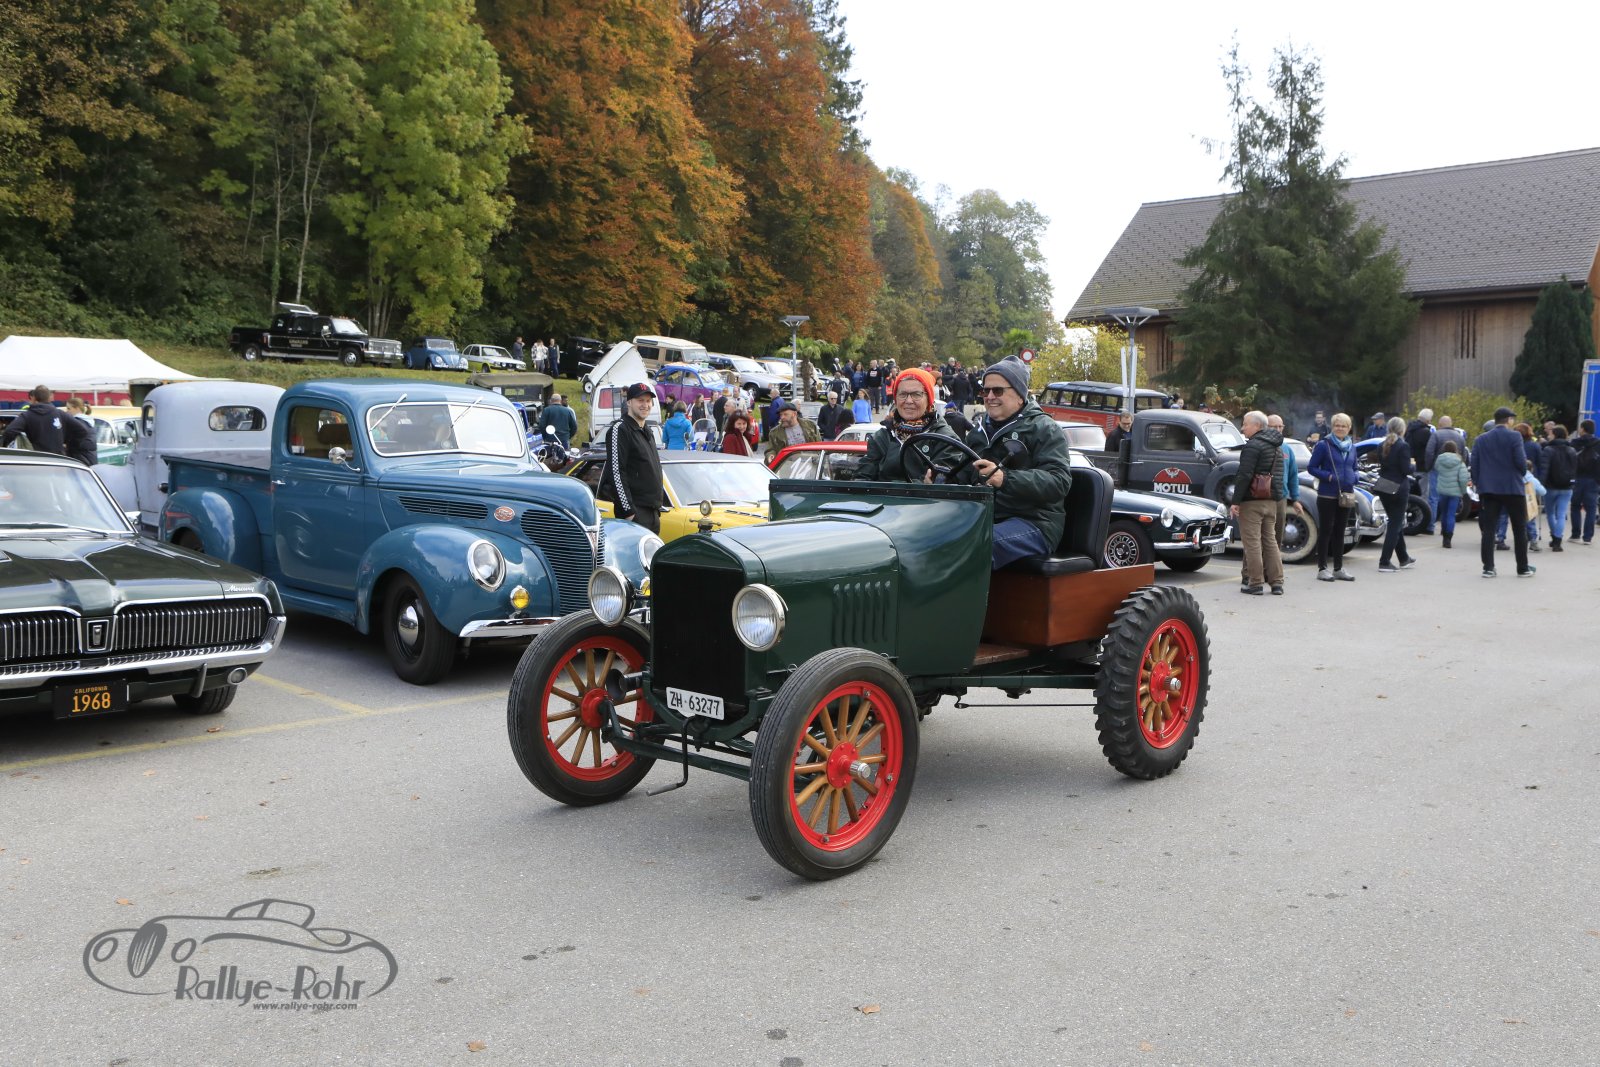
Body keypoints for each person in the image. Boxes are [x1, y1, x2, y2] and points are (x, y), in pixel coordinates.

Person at [958, 357, 1073, 570]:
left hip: (1034, 522)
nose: (990, 397)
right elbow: (962, 473)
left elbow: (1059, 482)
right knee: (931, 536)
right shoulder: (978, 432)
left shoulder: (1044, 428)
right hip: (984, 517)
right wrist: (939, 477)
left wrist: (1005, 478)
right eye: (985, 391)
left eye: (998, 391)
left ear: (1020, 395)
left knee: (975, 545)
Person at [858, 369, 960, 481]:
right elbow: (863, 477)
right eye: (903, 394)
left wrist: (929, 484)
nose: (909, 401)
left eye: (916, 394)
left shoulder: (945, 438)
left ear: (929, 400)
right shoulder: (882, 437)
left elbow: (946, 481)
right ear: (895, 399)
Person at [1471, 406, 1533, 577]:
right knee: (1519, 528)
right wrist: (1522, 472)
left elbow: (1474, 463)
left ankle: (1488, 568)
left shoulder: (1480, 439)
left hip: (1489, 489)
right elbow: (1520, 462)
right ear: (1509, 420)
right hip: (1512, 487)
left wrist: (1479, 483)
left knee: (1489, 529)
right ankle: (1522, 568)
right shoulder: (1515, 436)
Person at [1230, 411, 1285, 595]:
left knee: (1252, 543)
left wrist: (1236, 501)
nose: (1242, 428)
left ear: (1257, 426)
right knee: (1270, 542)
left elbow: (1244, 474)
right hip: (1271, 500)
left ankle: (1255, 583)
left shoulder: (1253, 446)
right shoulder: (1277, 446)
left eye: (1245, 424)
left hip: (1252, 500)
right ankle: (1277, 583)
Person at [601, 383, 664, 533]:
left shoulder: (647, 431)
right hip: (635, 513)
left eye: (648, 401)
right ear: (629, 402)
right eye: (640, 400)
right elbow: (616, 472)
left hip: (652, 511)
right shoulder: (620, 429)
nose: (645, 405)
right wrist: (628, 511)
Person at [1307, 413, 1359, 581]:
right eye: (1337, 425)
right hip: (1327, 494)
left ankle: (1338, 568)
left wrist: (1355, 477)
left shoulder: (1352, 447)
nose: (1340, 428)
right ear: (1332, 427)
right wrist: (1328, 476)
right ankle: (1322, 568)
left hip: (1346, 494)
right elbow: (1311, 467)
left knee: (1340, 531)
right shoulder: (1324, 445)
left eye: (1343, 426)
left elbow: (1355, 467)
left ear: (1349, 428)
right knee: (1326, 531)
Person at [1374, 416, 1417, 573]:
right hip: (1398, 487)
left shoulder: (1381, 445)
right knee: (1395, 525)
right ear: (1402, 430)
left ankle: (1404, 558)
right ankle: (1384, 561)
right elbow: (1406, 470)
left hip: (1384, 485)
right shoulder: (1403, 446)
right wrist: (1413, 466)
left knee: (1395, 522)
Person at [0, 385, 89, 459]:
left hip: (39, 459)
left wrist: (4, 447)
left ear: (33, 398)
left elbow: (9, 431)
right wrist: (69, 446)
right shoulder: (60, 414)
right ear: (49, 398)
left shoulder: (27, 416)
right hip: (59, 460)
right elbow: (82, 431)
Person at [1424, 415, 1469, 526]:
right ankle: (1447, 527)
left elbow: (1429, 452)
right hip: (1454, 472)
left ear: (1440, 425)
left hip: (1437, 470)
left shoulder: (1436, 435)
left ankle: (1431, 525)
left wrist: (1429, 467)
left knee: (1434, 498)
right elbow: (1464, 454)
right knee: (1451, 500)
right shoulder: (1459, 437)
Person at [1537, 426, 1577, 551]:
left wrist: (1541, 485)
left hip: (1551, 486)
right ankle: (1557, 541)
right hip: (1567, 487)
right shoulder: (1572, 450)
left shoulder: (1548, 450)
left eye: (1550, 434)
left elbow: (1544, 469)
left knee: (1550, 513)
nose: (1548, 436)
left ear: (1555, 435)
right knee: (1561, 514)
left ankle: (1554, 537)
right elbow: (1575, 468)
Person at [1433, 440, 1469, 549]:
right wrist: (1463, 491)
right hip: (1455, 492)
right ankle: (1448, 538)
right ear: (1455, 449)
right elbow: (1463, 478)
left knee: (1444, 513)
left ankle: (1444, 535)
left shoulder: (1440, 459)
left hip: (1442, 490)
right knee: (1451, 514)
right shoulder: (1460, 461)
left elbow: (1436, 468)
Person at [1404, 408, 1435, 532]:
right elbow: (1429, 451)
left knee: (1411, 493)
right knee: (1423, 495)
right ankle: (1422, 522)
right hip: (1422, 466)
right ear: (1428, 420)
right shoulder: (1426, 433)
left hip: (1410, 465)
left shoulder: (1409, 429)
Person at [1571, 418, 1600, 545]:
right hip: (1593, 479)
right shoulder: (1598, 443)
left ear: (1582, 429)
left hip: (1577, 477)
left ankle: (1575, 534)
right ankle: (1587, 537)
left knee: (1575, 506)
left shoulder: (1575, 443)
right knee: (1591, 508)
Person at [61, 397, 99, 466]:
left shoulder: (76, 423)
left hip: (80, 460)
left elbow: (72, 442)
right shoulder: (89, 422)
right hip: (90, 458)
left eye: (69, 408)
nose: (67, 411)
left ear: (77, 408)